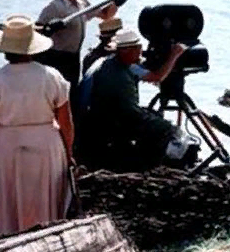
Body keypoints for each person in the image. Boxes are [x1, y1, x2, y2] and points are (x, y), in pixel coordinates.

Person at [0, 14, 75, 239]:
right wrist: (68, 152)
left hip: (7, 146)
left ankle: (5, 243)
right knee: (44, 201)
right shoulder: (52, 76)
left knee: (6, 204)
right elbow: (66, 121)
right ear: (32, 47)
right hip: (46, 144)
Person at [80, 28, 197, 170]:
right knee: (162, 129)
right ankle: (146, 168)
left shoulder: (107, 62)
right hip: (105, 123)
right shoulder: (119, 76)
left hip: (95, 115)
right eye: (137, 49)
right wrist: (164, 126)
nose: (140, 52)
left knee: (153, 119)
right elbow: (131, 113)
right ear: (124, 51)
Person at [36, 0, 133, 97]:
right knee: (59, 95)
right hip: (57, 58)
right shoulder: (54, 7)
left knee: (73, 94)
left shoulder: (83, 3)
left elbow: (105, 15)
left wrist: (119, 0)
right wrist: (50, 28)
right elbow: (36, 32)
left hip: (74, 59)